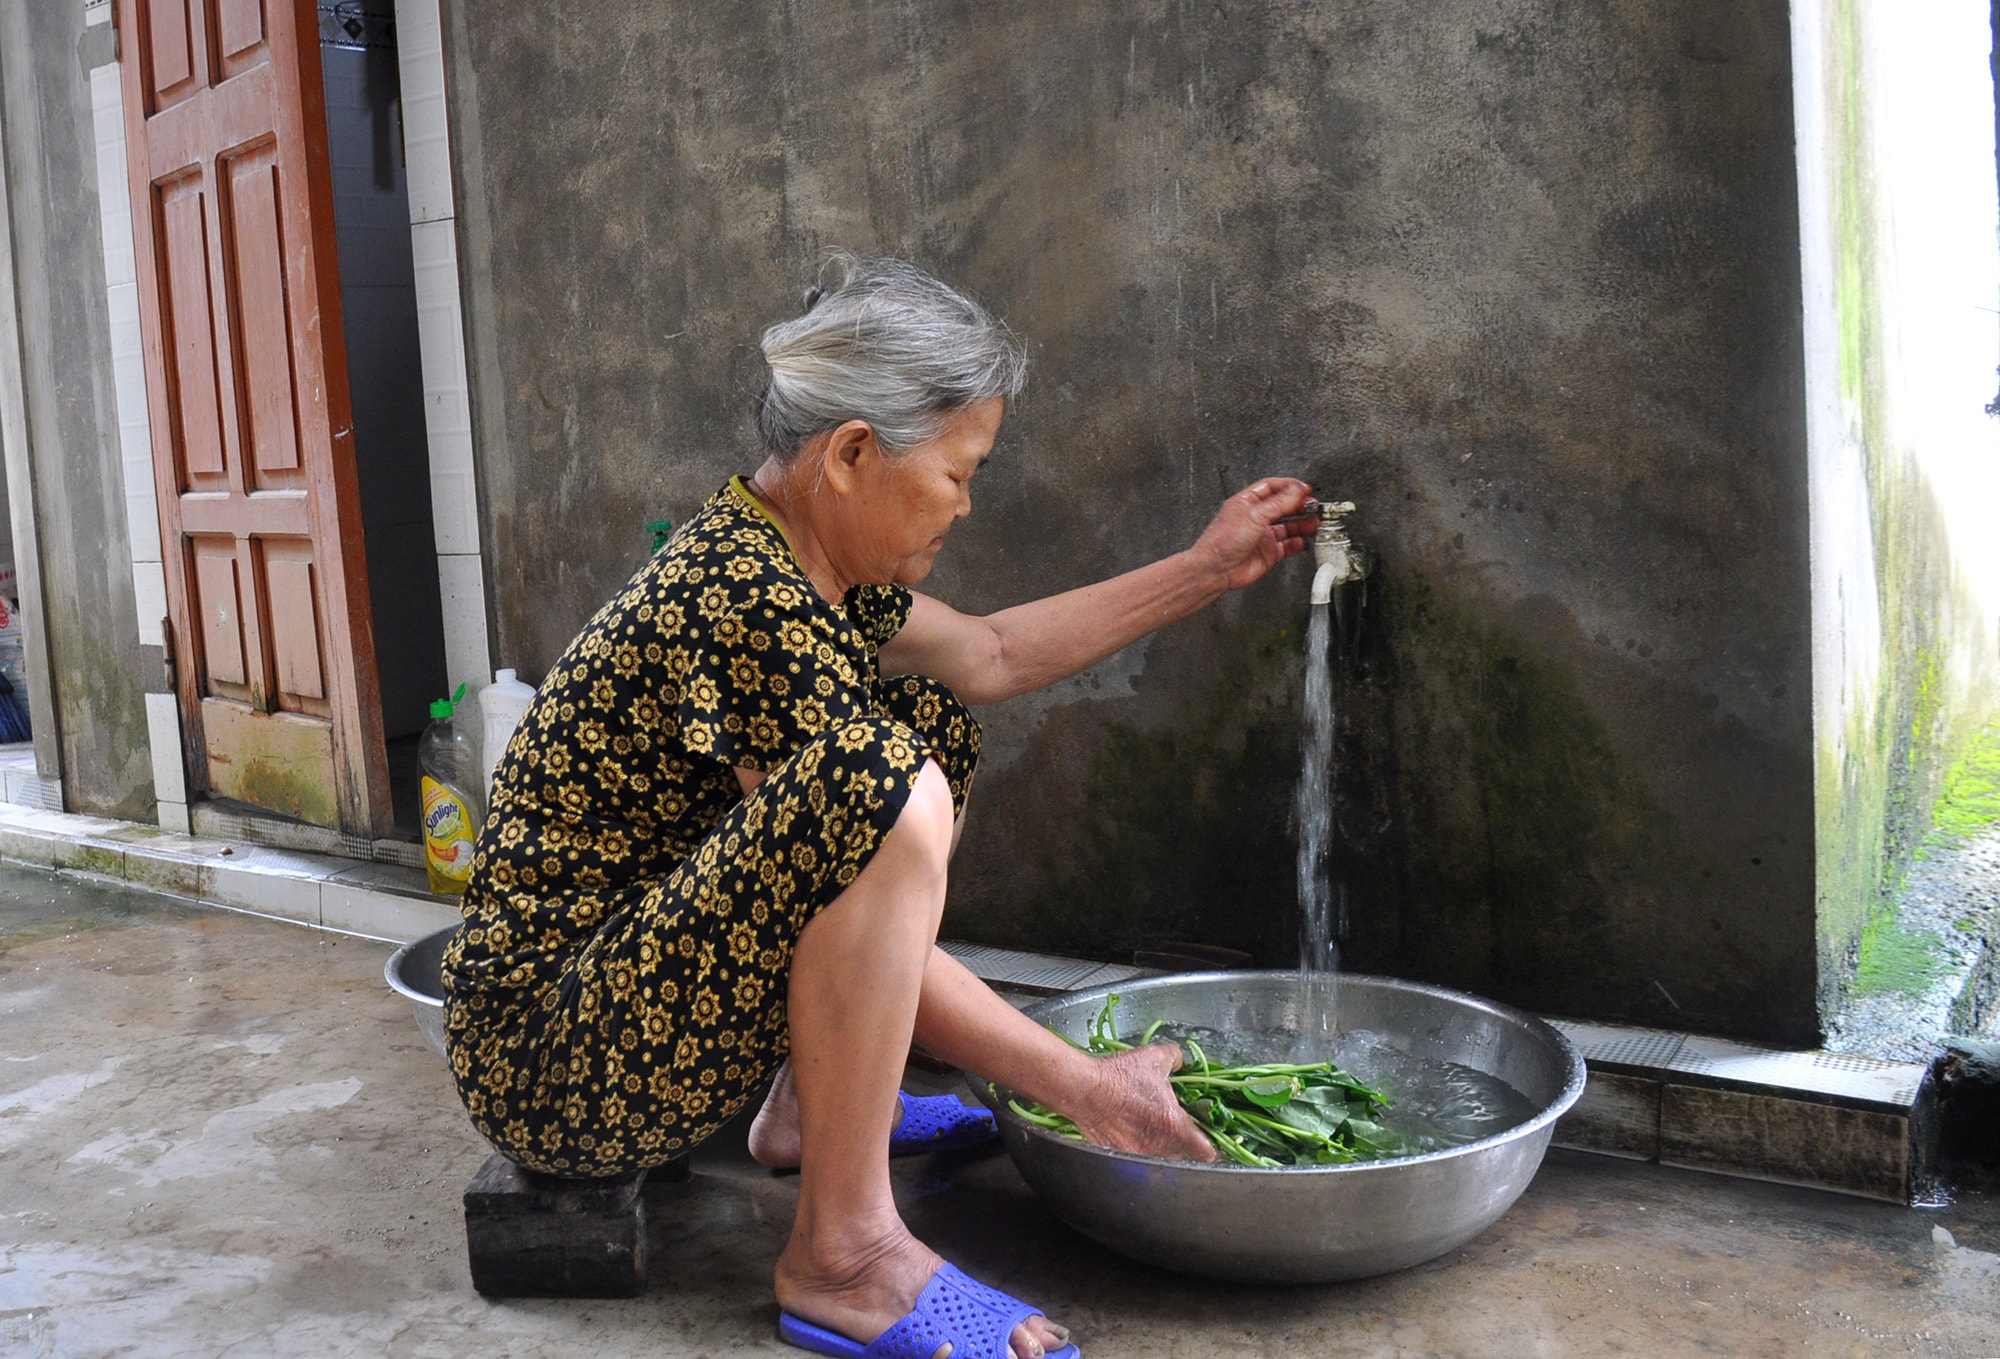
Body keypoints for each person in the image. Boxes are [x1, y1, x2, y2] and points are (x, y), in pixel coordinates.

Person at [441, 255, 1317, 1359]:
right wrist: (1093, 1089)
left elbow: (991, 653)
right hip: (558, 1071)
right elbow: (855, 845)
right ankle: (843, 1256)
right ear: (851, 454)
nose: (964, 502)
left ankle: (810, 1113)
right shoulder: (742, 598)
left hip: (627, 1002)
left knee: (928, 734)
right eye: (958, 472)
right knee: (877, 780)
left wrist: (1204, 566)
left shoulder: (806, 569)